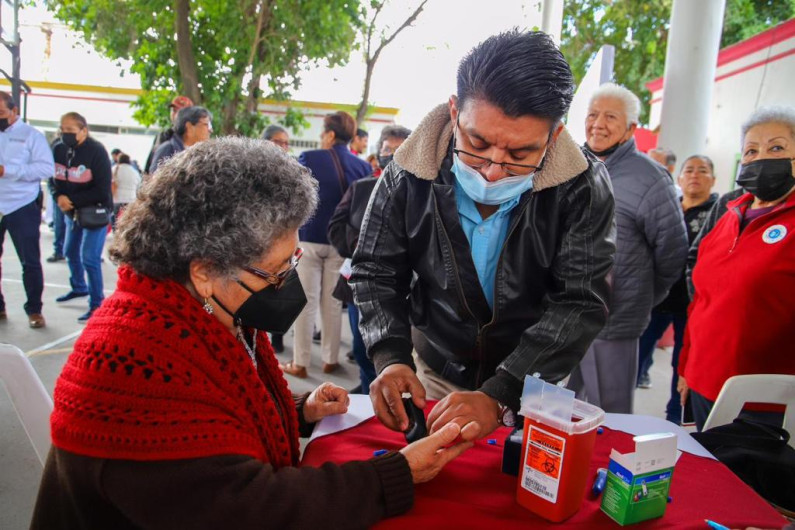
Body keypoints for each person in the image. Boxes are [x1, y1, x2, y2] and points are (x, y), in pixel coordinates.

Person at [30, 138, 472, 529]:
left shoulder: (203, 309)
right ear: (205, 270)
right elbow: (247, 508)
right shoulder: (136, 362)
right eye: (275, 272)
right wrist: (396, 474)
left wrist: (298, 410)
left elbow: (215, 418)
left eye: (292, 262)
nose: (286, 282)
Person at [349, 31, 615, 441]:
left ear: (555, 136)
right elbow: (375, 271)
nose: (493, 169)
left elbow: (580, 302)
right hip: (435, 372)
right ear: (455, 112)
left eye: (520, 155)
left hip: (534, 382)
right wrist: (390, 357)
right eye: (477, 143)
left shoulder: (582, 185)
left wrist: (504, 391)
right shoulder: (406, 172)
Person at [566, 83, 687, 414]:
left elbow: (672, 253)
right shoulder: (569, 165)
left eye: (610, 116)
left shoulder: (651, 177)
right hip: (563, 315)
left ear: (631, 127)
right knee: (555, 409)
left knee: (610, 414)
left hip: (614, 321)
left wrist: (642, 296)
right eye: (592, 115)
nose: (598, 124)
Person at [678, 106, 795, 431]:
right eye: (751, 151)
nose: (762, 159)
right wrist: (687, 366)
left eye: (776, 148)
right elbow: (701, 298)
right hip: (704, 382)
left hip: (767, 398)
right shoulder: (729, 214)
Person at [281, 111, 371, 378]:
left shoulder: (310, 158)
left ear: (330, 134)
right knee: (332, 304)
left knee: (306, 302)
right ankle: (330, 359)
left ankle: (301, 363)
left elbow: (296, 194)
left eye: (322, 133)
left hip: (309, 238)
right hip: (342, 244)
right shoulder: (363, 167)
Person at [328, 125, 412, 393]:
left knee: (395, 355)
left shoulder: (422, 192)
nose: (392, 155)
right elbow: (335, 227)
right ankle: (367, 398)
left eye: (400, 150)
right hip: (358, 285)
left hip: (406, 291)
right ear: (379, 152)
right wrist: (362, 251)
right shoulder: (361, 187)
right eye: (388, 149)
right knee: (362, 349)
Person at [636, 155, 717, 423]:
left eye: (702, 171)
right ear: (680, 179)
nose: (695, 175)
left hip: (692, 304)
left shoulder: (718, 212)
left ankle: (675, 417)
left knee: (680, 363)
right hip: (657, 298)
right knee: (637, 351)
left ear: (713, 180)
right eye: (689, 170)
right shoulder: (669, 207)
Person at [0, 91, 54, 328]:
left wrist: (8, 170)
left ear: (14, 111)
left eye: (1, 113)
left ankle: (34, 310)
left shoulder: (32, 136)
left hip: (22, 205)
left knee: (29, 261)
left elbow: (46, 169)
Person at [53, 112, 113, 323]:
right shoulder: (58, 149)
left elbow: (103, 189)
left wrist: (72, 200)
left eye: (70, 130)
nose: (65, 134)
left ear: (84, 131)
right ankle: (78, 287)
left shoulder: (96, 151)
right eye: (63, 129)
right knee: (70, 251)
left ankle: (97, 303)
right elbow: (53, 179)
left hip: (94, 213)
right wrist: (58, 196)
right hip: (71, 213)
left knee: (89, 258)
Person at [262, 123, 290, 353]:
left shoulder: (290, 170)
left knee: (280, 293)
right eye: (277, 141)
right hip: (258, 242)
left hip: (281, 240)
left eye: (285, 142)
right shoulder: (254, 168)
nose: (282, 146)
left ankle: (277, 338)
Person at [150, 106, 213, 172]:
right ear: (189, 127)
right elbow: (156, 179)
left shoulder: (203, 153)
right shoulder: (167, 149)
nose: (211, 130)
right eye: (206, 125)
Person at [143, 95, 193, 175]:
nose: (175, 114)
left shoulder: (195, 137)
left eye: (179, 111)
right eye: (173, 110)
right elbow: (150, 165)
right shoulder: (162, 137)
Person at [111, 153, 141, 231]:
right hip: (130, 199)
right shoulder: (134, 171)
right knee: (128, 219)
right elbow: (139, 185)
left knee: (115, 219)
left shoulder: (113, 169)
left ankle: (116, 233)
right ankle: (125, 232)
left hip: (116, 199)